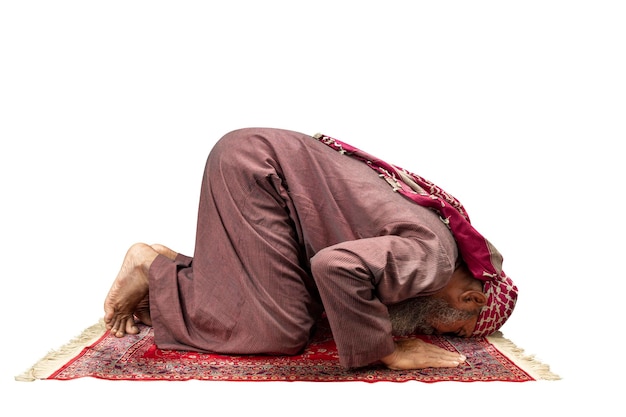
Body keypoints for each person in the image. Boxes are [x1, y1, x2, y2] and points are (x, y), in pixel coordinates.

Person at [104, 127, 518, 370]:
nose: (437, 334)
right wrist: (387, 351)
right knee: (280, 330)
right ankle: (150, 269)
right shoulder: (434, 261)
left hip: (258, 163)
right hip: (257, 170)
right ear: (470, 298)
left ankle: (172, 266)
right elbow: (336, 267)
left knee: (292, 303)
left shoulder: (437, 251)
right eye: (458, 330)